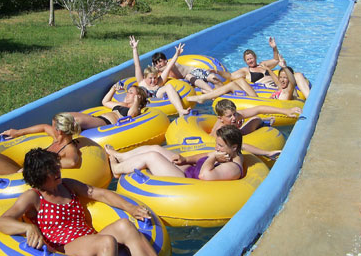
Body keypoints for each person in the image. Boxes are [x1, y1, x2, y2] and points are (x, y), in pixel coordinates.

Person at [0, 148, 167, 256]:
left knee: (125, 225)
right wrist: (28, 227)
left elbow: (100, 194)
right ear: (39, 177)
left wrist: (130, 207)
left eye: (56, 166)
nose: (58, 171)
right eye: (51, 170)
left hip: (90, 238)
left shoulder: (68, 185)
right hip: (65, 247)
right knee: (106, 242)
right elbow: (2, 222)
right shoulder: (33, 197)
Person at [105, 125, 247, 180]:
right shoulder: (229, 152)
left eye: (220, 146)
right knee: (155, 148)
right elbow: (206, 154)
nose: (217, 148)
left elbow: (205, 176)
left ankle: (117, 169)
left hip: (186, 181)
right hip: (189, 170)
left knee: (152, 157)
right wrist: (185, 159)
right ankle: (121, 156)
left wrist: (213, 157)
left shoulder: (232, 168)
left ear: (234, 147)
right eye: (217, 144)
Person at [187, 54, 301, 103]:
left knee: (231, 86)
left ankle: (205, 96)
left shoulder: (288, 91)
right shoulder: (281, 87)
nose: (282, 80)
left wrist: (284, 67)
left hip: (261, 103)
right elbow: (231, 76)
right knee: (238, 81)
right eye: (281, 77)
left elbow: (291, 80)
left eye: (285, 78)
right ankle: (209, 93)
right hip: (259, 99)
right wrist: (217, 72)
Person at [130, 35, 190, 117]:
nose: (153, 81)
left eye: (155, 78)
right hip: (144, 101)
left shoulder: (159, 81)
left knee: (168, 86)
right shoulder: (141, 82)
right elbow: (137, 65)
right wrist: (134, 49)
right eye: (150, 78)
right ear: (145, 77)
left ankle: (180, 110)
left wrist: (177, 54)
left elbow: (169, 67)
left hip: (157, 94)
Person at [68, 84, 148, 129]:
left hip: (105, 122)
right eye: (127, 92)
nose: (127, 94)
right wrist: (113, 89)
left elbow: (131, 115)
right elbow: (105, 102)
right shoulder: (122, 104)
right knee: (68, 116)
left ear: (138, 96)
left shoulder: (136, 109)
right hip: (97, 118)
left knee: (77, 121)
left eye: (130, 92)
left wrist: (137, 101)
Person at [211, 99, 302, 137]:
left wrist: (286, 111)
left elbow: (259, 109)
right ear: (220, 118)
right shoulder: (220, 130)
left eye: (234, 114)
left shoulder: (235, 117)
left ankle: (262, 122)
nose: (234, 118)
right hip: (229, 136)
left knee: (256, 118)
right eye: (229, 116)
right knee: (241, 133)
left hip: (233, 130)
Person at [151, 51, 224, 93]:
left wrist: (156, 69)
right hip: (186, 77)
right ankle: (211, 92)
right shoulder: (161, 73)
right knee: (188, 76)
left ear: (165, 60)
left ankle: (213, 91)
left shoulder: (169, 63)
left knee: (213, 78)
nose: (159, 65)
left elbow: (167, 67)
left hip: (194, 71)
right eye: (156, 63)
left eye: (160, 62)